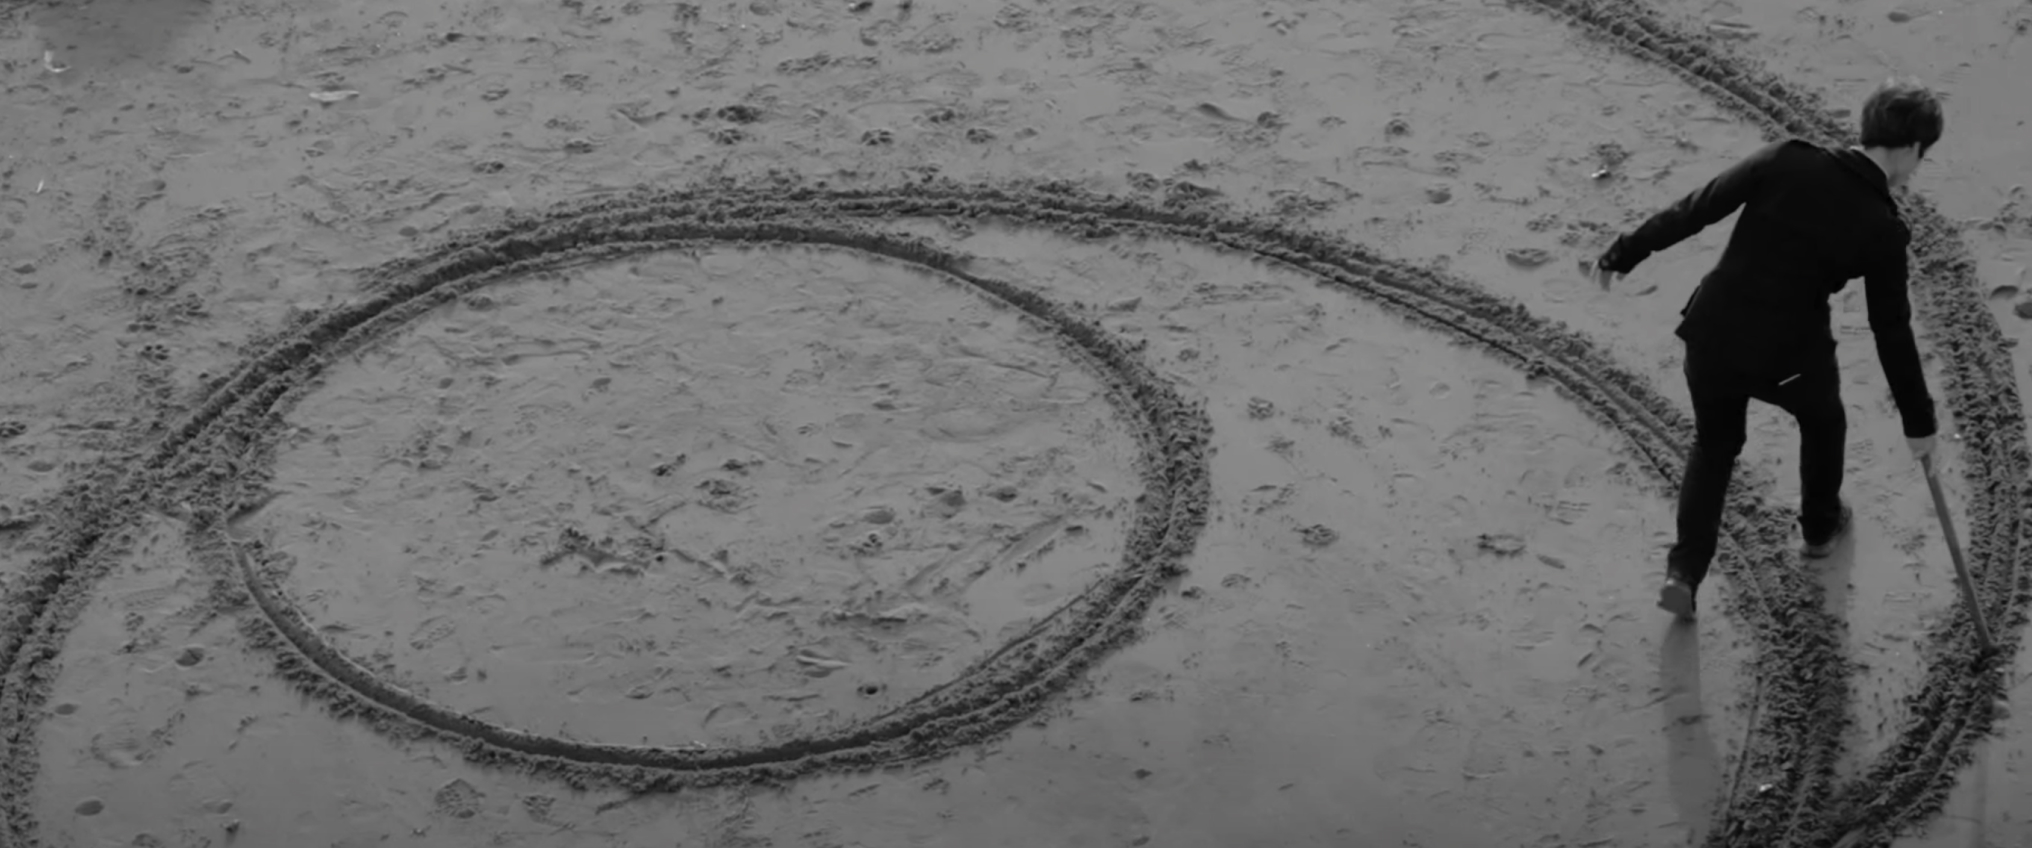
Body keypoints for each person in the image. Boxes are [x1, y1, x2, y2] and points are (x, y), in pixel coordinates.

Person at [1588, 78, 1945, 621]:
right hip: (1790, 359)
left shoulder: (1787, 158)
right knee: (1824, 423)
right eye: (1922, 157)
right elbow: (1890, 329)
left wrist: (1624, 252)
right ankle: (1820, 528)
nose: (1915, 170)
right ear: (1910, 148)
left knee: (1714, 446)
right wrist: (1919, 423)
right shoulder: (1883, 228)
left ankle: (1683, 573)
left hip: (1712, 333)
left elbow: (1697, 208)